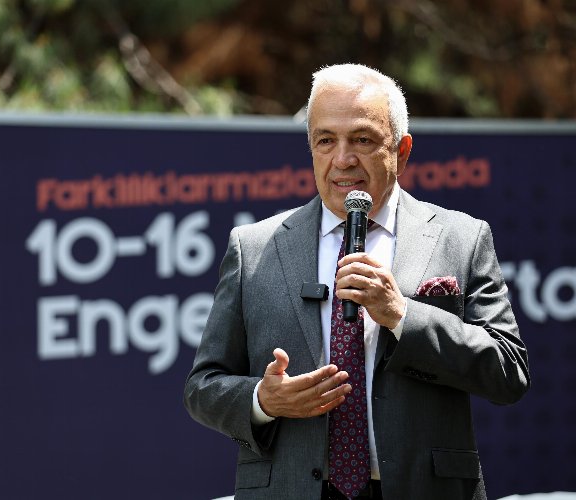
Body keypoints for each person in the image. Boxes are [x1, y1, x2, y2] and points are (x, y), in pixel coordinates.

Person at [184, 63, 530, 500]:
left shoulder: (461, 238)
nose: (343, 159)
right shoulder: (253, 247)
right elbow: (202, 387)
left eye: (363, 140)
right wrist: (263, 400)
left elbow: (508, 372)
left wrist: (402, 315)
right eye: (326, 140)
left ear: (402, 151)